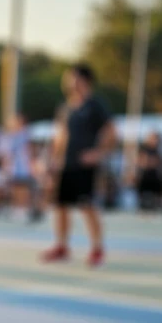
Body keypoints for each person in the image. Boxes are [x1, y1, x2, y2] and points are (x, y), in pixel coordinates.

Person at [43, 63, 115, 265]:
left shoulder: (95, 105)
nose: (67, 82)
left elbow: (111, 132)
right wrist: (53, 159)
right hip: (65, 164)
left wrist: (98, 153)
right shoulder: (66, 107)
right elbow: (61, 135)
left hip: (85, 166)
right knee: (61, 206)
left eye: (71, 77)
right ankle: (62, 246)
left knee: (87, 206)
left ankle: (97, 248)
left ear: (83, 80)